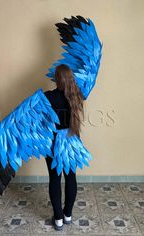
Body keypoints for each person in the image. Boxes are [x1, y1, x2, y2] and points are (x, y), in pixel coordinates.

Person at [44, 64, 84, 231]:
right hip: (72, 140)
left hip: (53, 141)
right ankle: (68, 215)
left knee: (54, 178)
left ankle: (58, 219)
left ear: (56, 79)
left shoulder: (47, 97)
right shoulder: (77, 96)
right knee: (70, 177)